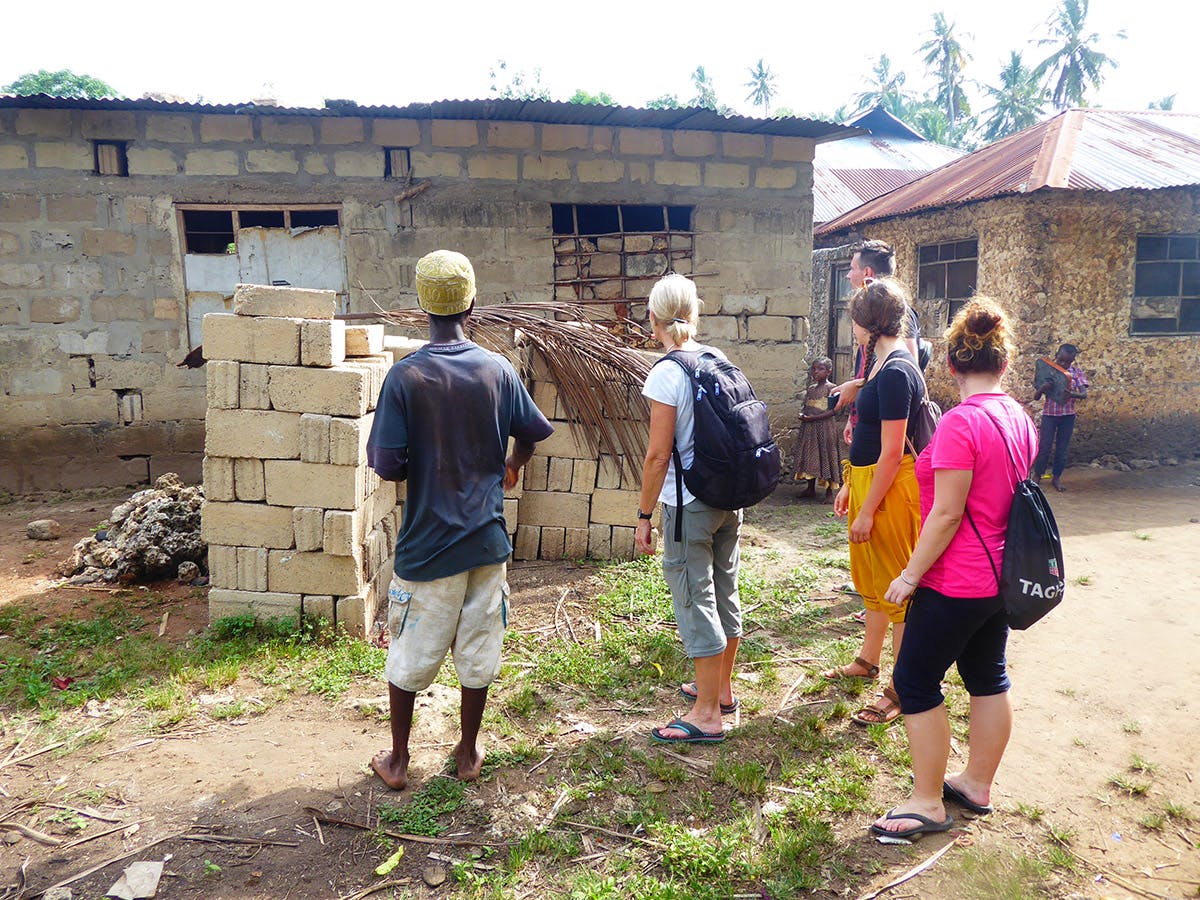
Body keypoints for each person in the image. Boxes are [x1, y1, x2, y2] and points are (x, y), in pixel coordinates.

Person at [366, 249, 554, 790]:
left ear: (422, 306)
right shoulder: (498, 371)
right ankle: (468, 752)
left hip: (428, 546)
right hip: (487, 543)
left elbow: (388, 464)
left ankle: (398, 760)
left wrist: (423, 460)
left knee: (409, 652)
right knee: (478, 650)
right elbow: (533, 434)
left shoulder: (406, 378)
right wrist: (511, 464)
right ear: (472, 304)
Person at [870, 297, 1038, 840]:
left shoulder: (961, 424)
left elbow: (946, 514)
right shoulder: (1019, 417)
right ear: (1005, 362)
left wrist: (908, 577)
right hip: (1001, 579)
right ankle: (976, 784)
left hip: (955, 580)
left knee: (914, 680)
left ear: (949, 364)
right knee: (988, 675)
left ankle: (928, 803)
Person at [635, 273, 743, 745]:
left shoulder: (667, 372)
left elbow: (658, 456)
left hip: (688, 505)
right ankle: (721, 690)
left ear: (653, 318)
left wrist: (644, 516)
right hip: (729, 498)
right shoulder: (718, 359)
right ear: (695, 314)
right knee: (724, 590)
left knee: (695, 598)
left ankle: (706, 714)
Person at [822, 277, 923, 727]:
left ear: (869, 324)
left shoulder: (897, 370)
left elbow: (893, 452)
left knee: (899, 591)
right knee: (875, 581)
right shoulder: (882, 364)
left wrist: (867, 510)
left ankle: (901, 688)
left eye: (855, 321)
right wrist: (851, 484)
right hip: (869, 483)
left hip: (891, 489)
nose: (853, 328)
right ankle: (868, 660)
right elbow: (870, 438)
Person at [831, 240, 923, 445]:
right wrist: (854, 416)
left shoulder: (896, 311)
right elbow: (867, 368)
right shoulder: (868, 309)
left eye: (852, 268)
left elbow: (904, 373)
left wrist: (857, 388)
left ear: (867, 273)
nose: (847, 275)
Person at [1032, 344, 1088, 492]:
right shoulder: (1048, 371)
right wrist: (1043, 388)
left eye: (1067, 362)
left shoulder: (1075, 373)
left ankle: (1056, 477)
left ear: (1072, 360)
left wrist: (1071, 394)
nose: (1063, 364)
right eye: (1060, 360)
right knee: (1044, 447)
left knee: (1062, 449)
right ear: (1056, 355)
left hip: (1068, 416)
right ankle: (1037, 475)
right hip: (1050, 415)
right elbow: (1036, 397)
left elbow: (1084, 394)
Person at [793, 356, 842, 503]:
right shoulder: (811, 389)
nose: (816, 372)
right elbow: (808, 405)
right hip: (810, 428)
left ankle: (829, 493)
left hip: (825, 428)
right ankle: (810, 488)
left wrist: (814, 418)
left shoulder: (832, 389)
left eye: (820, 369)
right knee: (811, 456)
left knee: (826, 456)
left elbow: (835, 411)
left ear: (829, 371)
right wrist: (804, 415)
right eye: (814, 369)